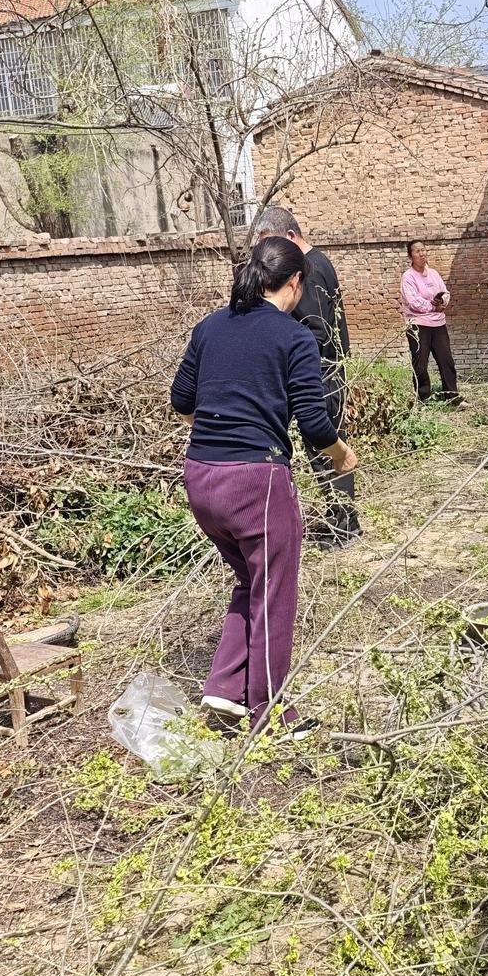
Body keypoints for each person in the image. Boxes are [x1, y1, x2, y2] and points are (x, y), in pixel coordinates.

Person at [170, 236, 358, 734]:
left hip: (202, 477)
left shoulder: (210, 326)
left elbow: (181, 401)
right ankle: (269, 712)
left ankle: (226, 688)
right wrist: (343, 456)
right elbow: (315, 426)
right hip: (258, 483)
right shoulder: (293, 337)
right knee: (274, 593)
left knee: (252, 582)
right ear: (294, 282)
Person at [249, 204, 360, 548]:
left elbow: (315, 331)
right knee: (321, 448)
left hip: (320, 373)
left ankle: (345, 523)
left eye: (274, 243)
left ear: (292, 236)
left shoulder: (307, 270)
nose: (271, 256)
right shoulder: (317, 262)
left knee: (326, 443)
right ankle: (338, 516)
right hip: (327, 370)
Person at [400, 239, 460, 405]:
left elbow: (445, 293)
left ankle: (453, 397)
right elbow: (413, 301)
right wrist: (432, 307)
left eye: (423, 250)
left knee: (446, 360)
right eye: (417, 251)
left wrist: (443, 303)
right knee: (420, 364)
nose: (421, 254)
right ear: (410, 256)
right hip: (418, 325)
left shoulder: (433, 273)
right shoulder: (408, 277)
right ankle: (423, 399)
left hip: (438, 324)